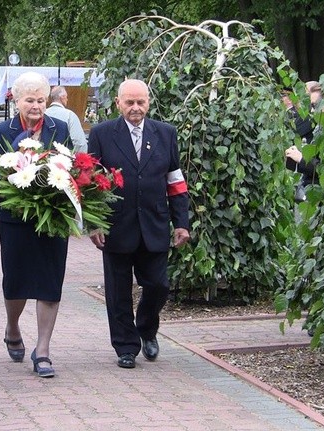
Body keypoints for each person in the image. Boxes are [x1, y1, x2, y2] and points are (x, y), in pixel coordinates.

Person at [87, 79, 191, 369]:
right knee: (118, 292)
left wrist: (181, 223)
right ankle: (126, 346)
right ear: (118, 103)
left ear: (149, 102)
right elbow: (90, 181)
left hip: (155, 224)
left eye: (140, 102)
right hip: (116, 227)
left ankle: (146, 328)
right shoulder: (102, 134)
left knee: (158, 285)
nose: (135, 108)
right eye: (129, 102)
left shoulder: (166, 134)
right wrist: (94, 224)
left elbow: (175, 181)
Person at [0, 72, 71, 378]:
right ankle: (12, 326)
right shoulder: (1, 131)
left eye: (41, 100)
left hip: (53, 218)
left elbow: (71, 167)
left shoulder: (59, 128)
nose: (36, 106)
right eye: (29, 100)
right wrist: (15, 197)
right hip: (15, 220)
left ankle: (43, 350)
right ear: (16, 100)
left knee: (50, 281)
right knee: (16, 280)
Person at [45, 85, 88, 153]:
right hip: (65, 159)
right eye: (66, 97)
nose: (67, 99)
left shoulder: (43, 114)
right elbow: (79, 143)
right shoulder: (70, 116)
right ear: (62, 97)